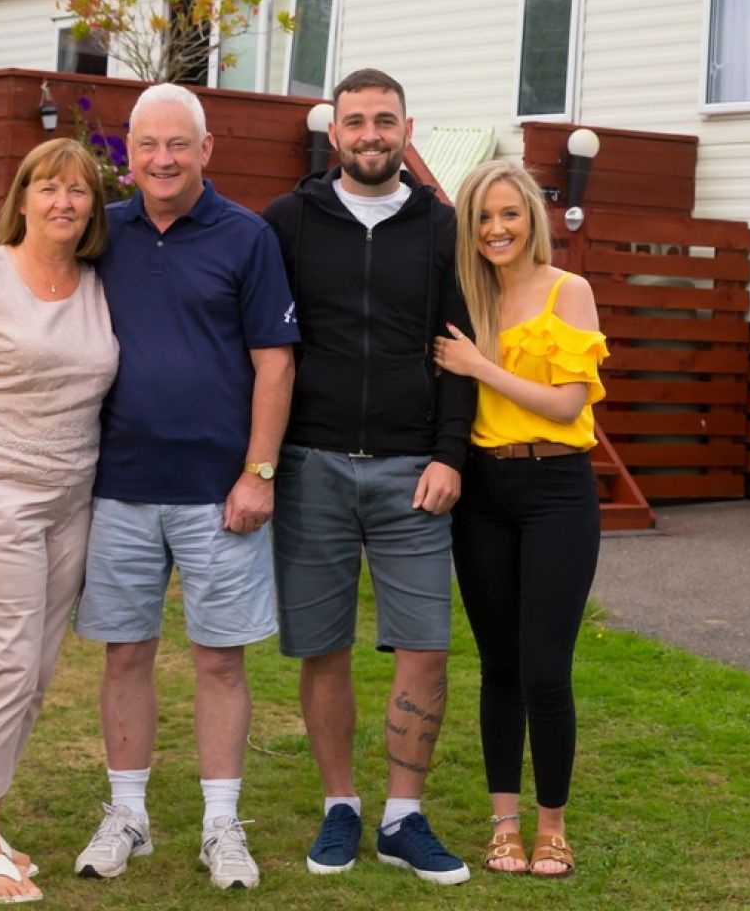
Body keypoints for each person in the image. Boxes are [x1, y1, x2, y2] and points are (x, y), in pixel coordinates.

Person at [67, 84, 298, 890]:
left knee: (219, 662)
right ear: (127, 153)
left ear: (207, 150)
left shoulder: (248, 237)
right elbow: (20, 283)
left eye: (178, 144)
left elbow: (276, 361)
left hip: (218, 492)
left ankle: (220, 824)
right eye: (147, 145)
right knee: (125, 653)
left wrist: (258, 471)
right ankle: (127, 815)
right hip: (117, 485)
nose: (162, 159)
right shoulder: (101, 230)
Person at [262, 68, 475, 886]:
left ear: (406, 128)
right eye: (356, 122)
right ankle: (340, 805)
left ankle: (402, 817)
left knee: (425, 646)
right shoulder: (287, 222)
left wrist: (451, 454)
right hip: (311, 466)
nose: (371, 135)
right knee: (324, 649)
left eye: (385, 121)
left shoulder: (442, 228)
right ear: (334, 133)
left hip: (412, 468)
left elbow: (459, 346)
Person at [0, 138, 118, 903]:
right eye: (48, 188)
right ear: (23, 196)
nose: (64, 202)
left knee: (35, 674)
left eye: (78, 191)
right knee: (5, 667)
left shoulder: (101, 283)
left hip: (71, 499)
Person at [432, 158, 606, 879]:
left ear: (531, 216)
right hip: (482, 495)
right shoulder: (466, 298)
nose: (496, 228)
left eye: (508, 214)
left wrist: (482, 368)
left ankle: (552, 826)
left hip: (556, 489)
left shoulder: (570, 291)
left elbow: (568, 404)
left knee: (544, 668)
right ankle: (504, 825)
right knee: (499, 665)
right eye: (483, 217)